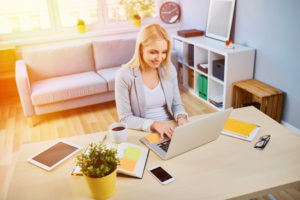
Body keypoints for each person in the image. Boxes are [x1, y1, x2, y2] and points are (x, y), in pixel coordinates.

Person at [115, 23, 188, 139]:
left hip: (170, 128)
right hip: (143, 131)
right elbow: (125, 118)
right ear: (140, 49)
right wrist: (155, 125)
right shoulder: (124, 75)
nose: (159, 58)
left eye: (164, 52)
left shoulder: (169, 69)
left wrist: (181, 117)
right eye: (153, 52)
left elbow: (176, 104)